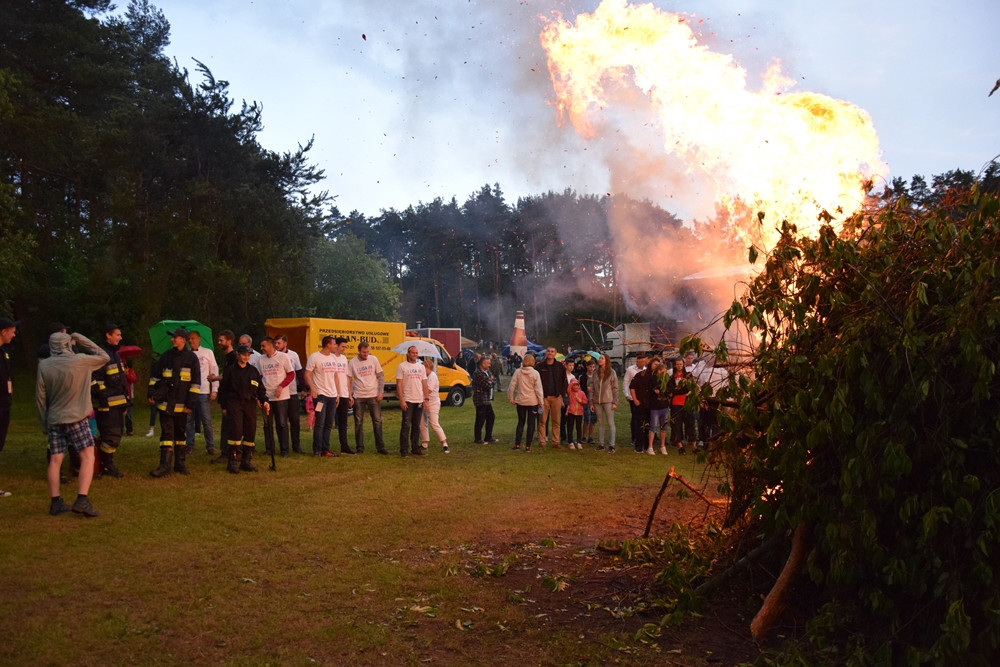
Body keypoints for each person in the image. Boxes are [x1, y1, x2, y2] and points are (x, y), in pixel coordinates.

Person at [36, 331, 109, 517]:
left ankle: (55, 502)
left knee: (55, 459)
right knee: (88, 456)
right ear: (69, 344)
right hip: (76, 417)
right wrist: (81, 338)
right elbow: (104, 356)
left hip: (54, 419)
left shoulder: (44, 365)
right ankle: (82, 499)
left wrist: (44, 422)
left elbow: (40, 398)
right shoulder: (81, 361)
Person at [148, 327, 201, 477]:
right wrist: (151, 393)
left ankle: (180, 464)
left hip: (182, 406)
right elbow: (155, 377)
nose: (172, 339)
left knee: (180, 435)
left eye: (175, 337)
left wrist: (191, 404)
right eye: (172, 337)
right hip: (165, 404)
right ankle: (164, 466)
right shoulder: (165, 357)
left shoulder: (191, 358)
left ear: (183, 340)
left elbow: (196, 384)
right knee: (166, 435)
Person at [218, 345, 270, 473]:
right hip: (234, 404)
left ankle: (246, 461)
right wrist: (224, 406)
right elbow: (223, 390)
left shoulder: (253, 371)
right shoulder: (230, 371)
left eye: (248, 355)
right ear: (238, 355)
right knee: (236, 432)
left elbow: (260, 389)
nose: (246, 357)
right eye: (244, 354)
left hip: (250, 405)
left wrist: (265, 401)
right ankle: (232, 461)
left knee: (250, 432)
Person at [91, 323, 131, 478]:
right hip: (107, 405)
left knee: (115, 434)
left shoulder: (114, 354)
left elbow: (120, 382)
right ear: (108, 335)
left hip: (117, 403)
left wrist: (125, 402)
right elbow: (94, 380)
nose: (120, 338)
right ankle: (106, 465)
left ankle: (103, 464)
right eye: (117, 334)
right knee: (111, 435)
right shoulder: (101, 355)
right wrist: (104, 399)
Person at [257, 336, 294, 457]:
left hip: (281, 396)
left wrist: (281, 387)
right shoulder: (261, 360)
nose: (261, 348)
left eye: (263, 346)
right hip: (266, 396)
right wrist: (259, 396)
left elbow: (291, 374)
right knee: (267, 424)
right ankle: (269, 449)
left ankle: (284, 449)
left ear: (270, 346)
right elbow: (258, 378)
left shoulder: (283, 357)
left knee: (282, 423)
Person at [348, 341, 387, 455]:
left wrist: (381, 392)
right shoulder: (352, 362)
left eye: (367, 352)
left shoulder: (373, 359)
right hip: (359, 395)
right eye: (364, 352)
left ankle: (380, 446)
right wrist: (350, 395)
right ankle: (360, 447)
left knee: (377, 421)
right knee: (358, 422)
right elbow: (349, 379)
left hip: (373, 394)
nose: (366, 354)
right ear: (359, 351)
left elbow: (380, 376)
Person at [185, 330, 218, 457]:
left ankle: (210, 446)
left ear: (199, 339)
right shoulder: (187, 354)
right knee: (189, 420)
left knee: (206, 420)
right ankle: (189, 444)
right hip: (189, 392)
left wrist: (214, 389)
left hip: (203, 390)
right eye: (189, 339)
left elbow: (214, 370)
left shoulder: (207, 352)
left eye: (193, 338)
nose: (191, 341)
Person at [305, 335, 339, 456]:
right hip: (320, 395)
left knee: (329, 423)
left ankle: (326, 449)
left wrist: (337, 394)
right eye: (334, 344)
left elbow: (335, 376)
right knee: (320, 422)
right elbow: (307, 374)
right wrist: (312, 388)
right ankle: (317, 450)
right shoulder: (315, 357)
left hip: (332, 395)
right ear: (328, 345)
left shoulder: (334, 358)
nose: (336, 346)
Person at [208, 329, 238, 464]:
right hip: (226, 397)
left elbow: (230, 377)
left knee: (229, 426)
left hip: (231, 398)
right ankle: (229, 451)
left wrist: (215, 378)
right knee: (227, 425)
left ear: (229, 341)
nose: (219, 342)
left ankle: (228, 453)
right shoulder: (227, 357)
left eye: (221, 340)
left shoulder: (233, 357)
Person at [274, 334, 305, 454]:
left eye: (279, 343)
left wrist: (302, 388)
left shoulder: (293, 355)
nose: (277, 346)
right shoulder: (273, 356)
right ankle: (284, 447)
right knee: (281, 422)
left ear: (285, 343)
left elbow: (299, 372)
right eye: (275, 343)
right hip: (279, 393)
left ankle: (296, 446)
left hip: (292, 392)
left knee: (295, 420)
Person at [507, 352, 543, 452]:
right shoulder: (535, 373)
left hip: (521, 401)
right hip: (532, 402)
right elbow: (538, 389)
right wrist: (541, 402)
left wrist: (511, 397)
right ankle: (528, 446)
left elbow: (512, 386)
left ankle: (517, 444)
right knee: (531, 424)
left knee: (520, 422)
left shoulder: (518, 372)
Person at [396, 345, 428, 457]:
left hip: (419, 399)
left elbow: (424, 383)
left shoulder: (421, 367)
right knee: (406, 425)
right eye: (413, 353)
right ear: (408, 353)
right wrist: (402, 400)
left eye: (416, 353)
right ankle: (404, 450)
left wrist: (426, 398)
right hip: (408, 399)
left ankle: (415, 448)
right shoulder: (402, 367)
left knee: (416, 425)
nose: (415, 355)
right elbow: (399, 384)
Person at [536, 347, 568, 449]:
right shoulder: (540, 366)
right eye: (548, 351)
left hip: (556, 397)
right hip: (543, 398)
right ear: (546, 353)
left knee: (556, 421)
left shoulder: (560, 366)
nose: (550, 353)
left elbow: (564, 381)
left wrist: (561, 395)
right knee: (542, 421)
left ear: (555, 354)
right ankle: (542, 442)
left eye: (552, 351)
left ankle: (556, 442)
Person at [0, 317, 17, 497]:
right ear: (3, 331)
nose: (14, 334)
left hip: (5, 404)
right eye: (11, 331)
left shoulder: (4, 352)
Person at [330, 337, 355, 455]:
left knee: (343, 422)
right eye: (342, 346)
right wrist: (336, 393)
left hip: (344, 394)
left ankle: (344, 446)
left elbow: (347, 377)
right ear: (336, 346)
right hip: (333, 394)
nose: (344, 349)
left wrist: (349, 394)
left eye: (346, 347)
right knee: (328, 421)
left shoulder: (344, 359)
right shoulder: (330, 358)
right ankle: (325, 446)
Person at [420, 358, 449, 454]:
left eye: (423, 367)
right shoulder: (426, 376)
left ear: (428, 367)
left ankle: (444, 444)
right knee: (422, 423)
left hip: (432, 403)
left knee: (434, 424)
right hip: (424, 402)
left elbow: (429, 390)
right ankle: (425, 443)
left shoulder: (432, 376)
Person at [667, 357, 696, 454]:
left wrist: (677, 390)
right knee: (677, 426)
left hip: (687, 403)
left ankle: (694, 446)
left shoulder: (688, 375)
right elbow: (670, 390)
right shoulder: (671, 377)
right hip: (675, 404)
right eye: (677, 364)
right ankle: (679, 445)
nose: (679, 366)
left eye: (681, 364)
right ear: (675, 365)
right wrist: (678, 390)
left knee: (690, 424)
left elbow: (688, 389)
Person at [593, 353, 619, 453]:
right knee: (600, 423)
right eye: (599, 358)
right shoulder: (596, 372)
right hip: (597, 401)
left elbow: (615, 388)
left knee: (610, 422)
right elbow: (592, 387)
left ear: (606, 360)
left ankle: (612, 445)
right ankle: (601, 444)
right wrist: (592, 401)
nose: (600, 360)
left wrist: (615, 401)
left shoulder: (612, 372)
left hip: (608, 400)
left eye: (602, 358)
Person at [622, 352, 648, 451]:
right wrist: (627, 394)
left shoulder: (646, 370)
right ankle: (634, 437)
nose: (641, 363)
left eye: (643, 361)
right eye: (640, 361)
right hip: (633, 397)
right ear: (637, 361)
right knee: (635, 418)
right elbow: (626, 382)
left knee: (643, 418)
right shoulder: (630, 370)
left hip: (643, 398)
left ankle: (642, 437)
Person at [629, 354, 654, 454]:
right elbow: (632, 387)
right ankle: (638, 445)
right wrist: (635, 399)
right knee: (640, 424)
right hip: (641, 403)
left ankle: (648, 445)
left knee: (649, 425)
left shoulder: (658, 376)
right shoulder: (641, 375)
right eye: (654, 364)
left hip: (652, 405)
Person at [645, 358, 671, 455]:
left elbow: (668, 390)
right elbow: (654, 390)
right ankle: (650, 446)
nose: (664, 373)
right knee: (653, 426)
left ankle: (662, 446)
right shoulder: (653, 379)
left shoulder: (666, 379)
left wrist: (665, 392)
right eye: (663, 371)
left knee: (663, 427)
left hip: (664, 406)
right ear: (659, 371)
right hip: (655, 407)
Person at [472, 355, 498, 444]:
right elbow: (487, 385)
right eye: (488, 363)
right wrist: (490, 381)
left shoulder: (487, 372)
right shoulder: (478, 373)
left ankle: (488, 436)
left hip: (487, 399)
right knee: (480, 419)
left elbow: (494, 380)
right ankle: (478, 438)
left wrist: (490, 381)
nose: (489, 365)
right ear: (483, 363)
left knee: (491, 416)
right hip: (481, 399)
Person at [564, 377, 588, 449]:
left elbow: (585, 401)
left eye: (577, 385)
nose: (576, 386)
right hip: (571, 412)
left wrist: (580, 401)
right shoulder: (570, 392)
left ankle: (579, 442)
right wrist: (572, 382)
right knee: (570, 427)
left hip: (579, 413)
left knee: (578, 428)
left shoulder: (582, 393)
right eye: (574, 385)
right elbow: (568, 389)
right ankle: (570, 442)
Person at [582, 359, 597, 444]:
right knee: (587, 418)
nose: (592, 368)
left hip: (594, 399)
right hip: (586, 398)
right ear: (587, 367)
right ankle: (584, 436)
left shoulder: (597, 377)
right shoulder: (583, 377)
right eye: (590, 366)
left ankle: (591, 437)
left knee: (593, 419)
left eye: (593, 367)